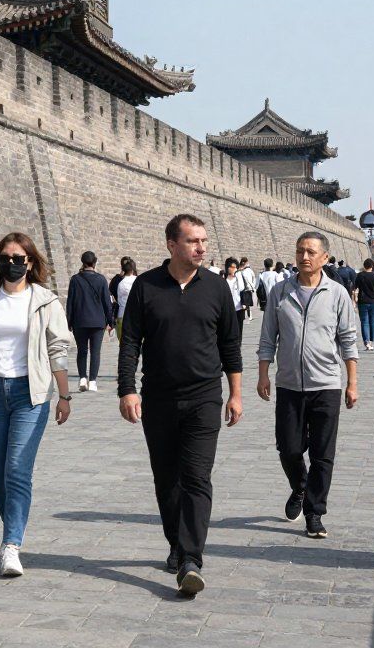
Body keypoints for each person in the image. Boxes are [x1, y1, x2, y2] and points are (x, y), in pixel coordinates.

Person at [118, 214, 243, 598]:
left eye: (204, 240)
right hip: (158, 398)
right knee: (166, 479)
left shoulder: (218, 287)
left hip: (205, 397)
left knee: (196, 477)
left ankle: (191, 559)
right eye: (193, 241)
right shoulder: (145, 286)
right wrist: (127, 389)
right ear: (172, 245)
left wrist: (235, 393)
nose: (201, 247)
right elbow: (130, 343)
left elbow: (230, 346)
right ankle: (176, 543)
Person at [0, 232, 72, 578]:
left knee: (17, 469)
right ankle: (14, 528)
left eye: (19, 258)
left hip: (31, 394)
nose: (13, 263)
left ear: (31, 262)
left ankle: (11, 544)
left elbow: (58, 347)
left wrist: (64, 395)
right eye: (6, 257)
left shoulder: (46, 300)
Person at [258, 232, 359, 539]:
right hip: (289, 385)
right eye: (300, 251)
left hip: (326, 384)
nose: (304, 257)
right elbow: (267, 337)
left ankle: (315, 513)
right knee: (288, 448)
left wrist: (351, 383)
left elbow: (348, 341)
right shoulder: (280, 292)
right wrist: (263, 374)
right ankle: (300, 487)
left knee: (322, 453)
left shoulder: (337, 293)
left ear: (324, 258)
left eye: (311, 252)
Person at [65, 251, 114, 392]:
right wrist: (111, 322)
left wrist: (69, 321)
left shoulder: (75, 279)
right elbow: (107, 303)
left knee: (82, 351)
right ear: (95, 262)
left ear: (82, 262)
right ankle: (92, 381)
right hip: (98, 322)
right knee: (95, 352)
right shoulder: (101, 279)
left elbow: (70, 303)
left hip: (79, 321)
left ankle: (82, 378)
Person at [353, 258, 374, 350]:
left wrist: (354, 299)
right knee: (372, 322)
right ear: (372, 266)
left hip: (363, 302)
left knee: (364, 322)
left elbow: (355, 289)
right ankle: (371, 342)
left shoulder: (359, 276)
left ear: (364, 266)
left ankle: (366, 342)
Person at [114, 257, 138, 340]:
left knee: (123, 344)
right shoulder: (139, 281)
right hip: (137, 316)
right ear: (133, 269)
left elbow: (119, 299)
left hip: (122, 315)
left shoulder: (121, 283)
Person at [223, 258, 247, 338]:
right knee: (228, 330)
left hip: (239, 308)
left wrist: (244, 303)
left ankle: (238, 345)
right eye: (232, 267)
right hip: (227, 309)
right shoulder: (223, 280)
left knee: (239, 330)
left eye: (236, 267)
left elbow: (242, 289)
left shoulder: (239, 279)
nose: (234, 269)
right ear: (227, 267)